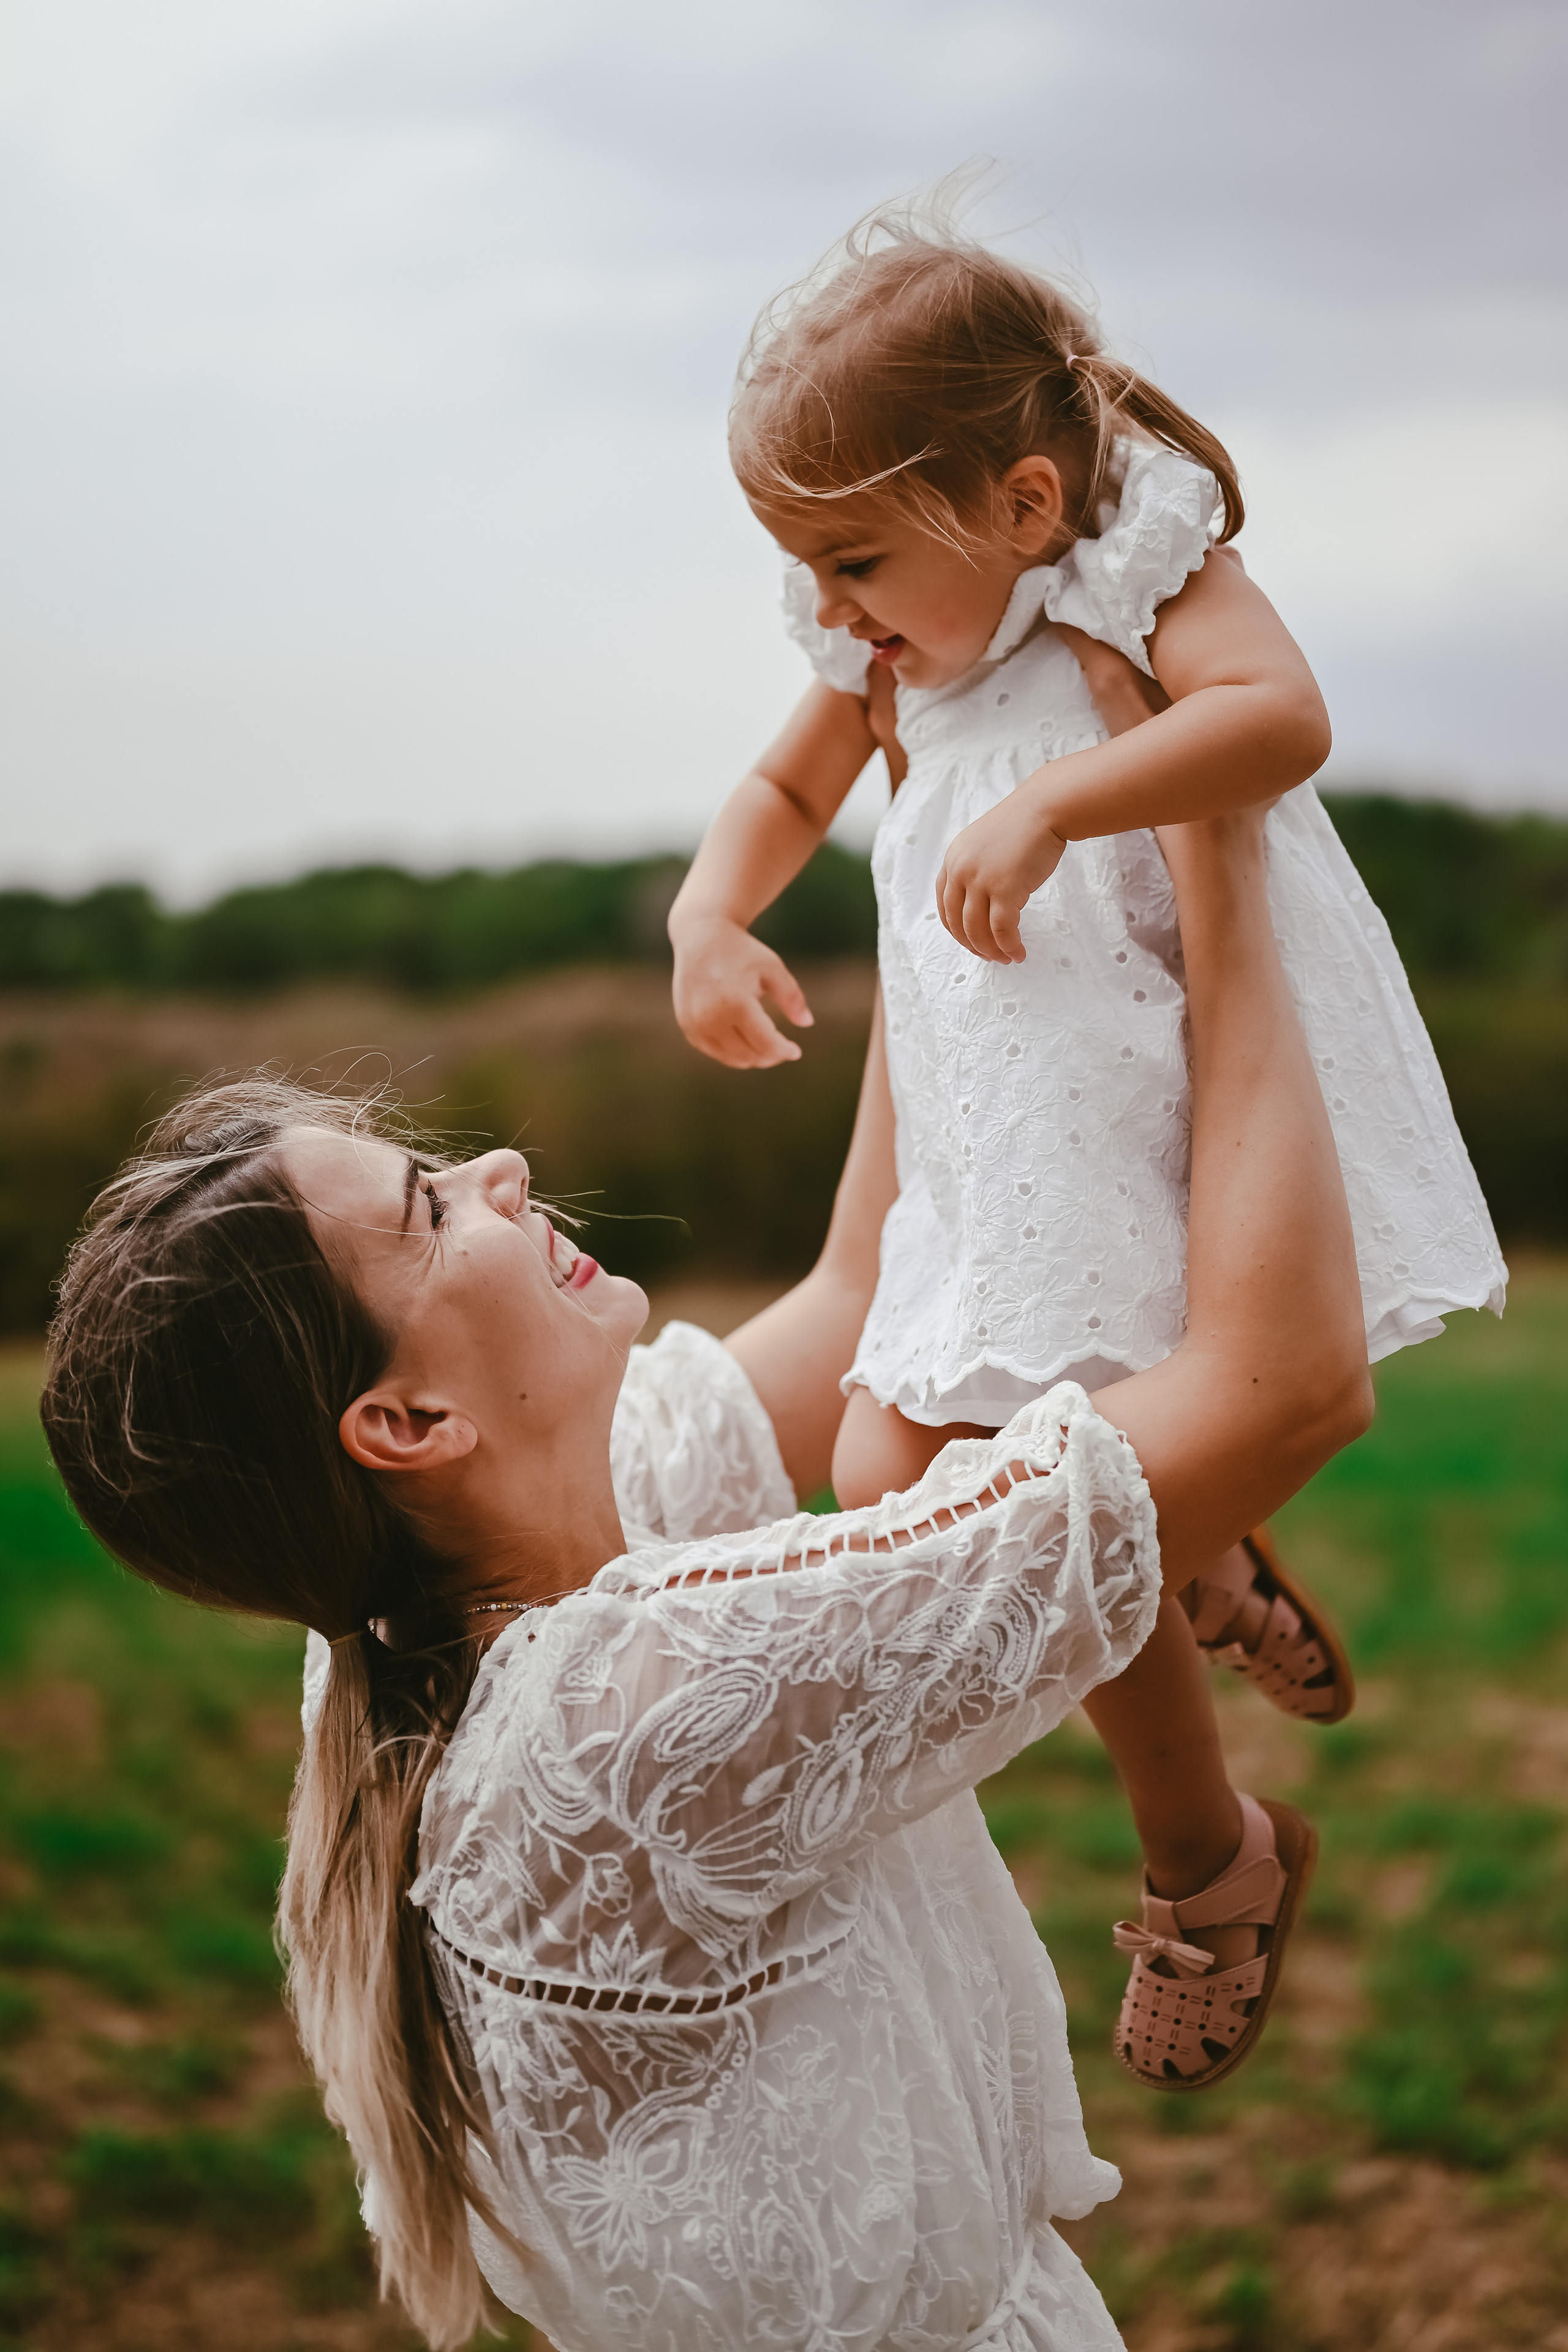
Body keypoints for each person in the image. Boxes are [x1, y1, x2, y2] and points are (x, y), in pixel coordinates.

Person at [42, 806, 1368, 2352]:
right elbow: (1290, 1382)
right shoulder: (625, 1720)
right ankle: (1170, 1595)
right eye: (425, 1211)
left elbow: (867, 1284)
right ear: (406, 1424)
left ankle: (1163, 1558)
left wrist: (922, 811)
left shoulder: (438, 1599)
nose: (499, 1168)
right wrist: (1218, 879)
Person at [667, 206, 1506, 2084]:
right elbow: (784, 782)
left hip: (1161, 1091)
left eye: (858, 556)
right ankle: (1194, 1599)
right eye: (805, 565)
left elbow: (1279, 721)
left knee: (1014, 1495)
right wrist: (710, 917)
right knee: (897, 1472)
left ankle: (1204, 1855)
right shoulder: (894, 643)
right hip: (1003, 1132)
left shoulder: (1130, 574)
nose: (834, 604)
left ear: (1028, 503)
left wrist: (1065, 795)